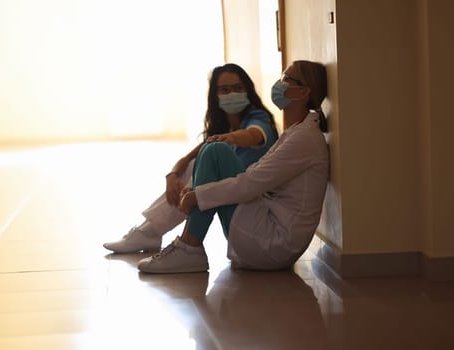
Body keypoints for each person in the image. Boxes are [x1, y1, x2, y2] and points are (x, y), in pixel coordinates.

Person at [137, 60, 329, 273]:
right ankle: (178, 243)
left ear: (303, 92)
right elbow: (253, 175)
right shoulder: (297, 131)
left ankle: (188, 246)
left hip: (275, 244)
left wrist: (198, 195)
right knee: (211, 151)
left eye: (286, 80)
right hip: (268, 229)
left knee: (215, 151)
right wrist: (195, 188)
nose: (279, 84)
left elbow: (250, 181)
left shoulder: (303, 138)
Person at [103, 63, 279, 254]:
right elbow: (187, 160)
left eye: (238, 88)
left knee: (204, 164)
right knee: (194, 164)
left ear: (248, 91)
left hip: (253, 208)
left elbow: (254, 135)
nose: (232, 94)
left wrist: (232, 138)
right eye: (225, 90)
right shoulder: (223, 128)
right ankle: (148, 232)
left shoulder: (258, 118)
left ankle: (155, 235)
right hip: (232, 198)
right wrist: (172, 176)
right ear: (215, 95)